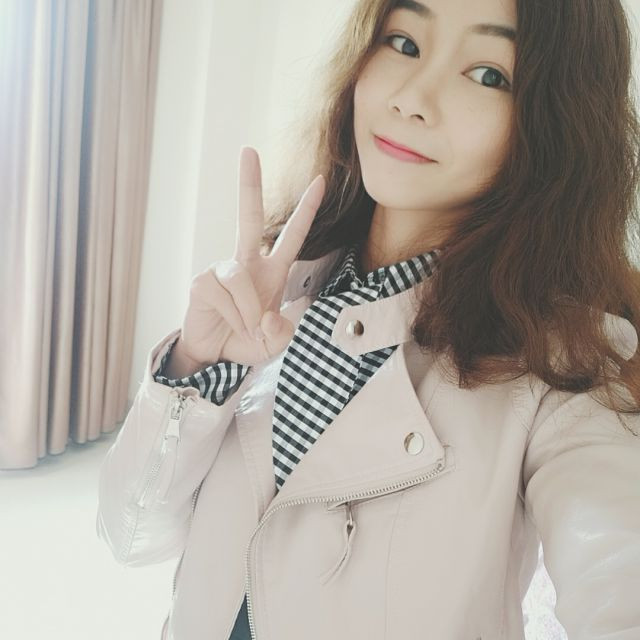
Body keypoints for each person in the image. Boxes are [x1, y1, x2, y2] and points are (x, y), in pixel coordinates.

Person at [96, 0, 640, 638]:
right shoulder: (278, 282)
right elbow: (131, 535)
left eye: (488, 74)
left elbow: (615, 562)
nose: (412, 99)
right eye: (404, 43)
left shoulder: (562, 371)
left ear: (554, 125)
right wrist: (196, 364)